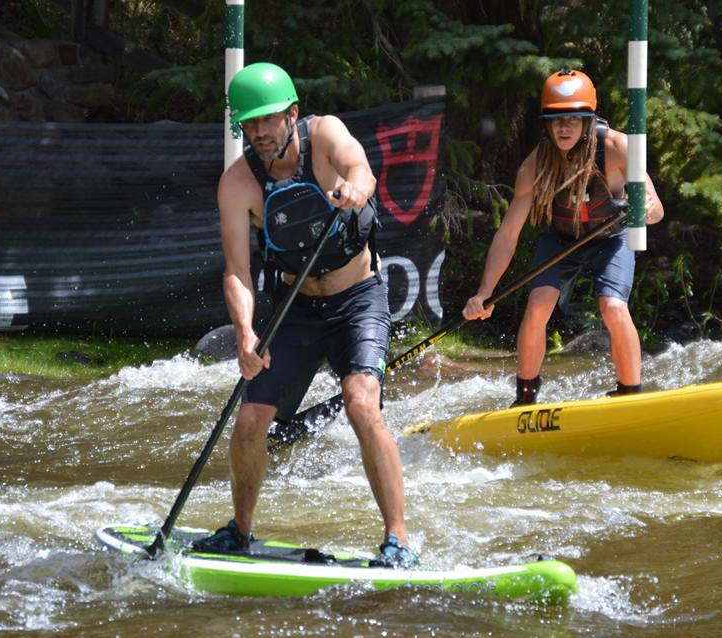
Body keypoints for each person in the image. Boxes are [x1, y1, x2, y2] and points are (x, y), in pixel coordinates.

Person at [197, 62, 417, 568]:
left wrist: (358, 185)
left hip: (358, 298)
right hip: (296, 308)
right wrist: (246, 332)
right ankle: (240, 531)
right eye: (249, 125)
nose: (259, 134)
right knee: (251, 420)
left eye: (268, 121)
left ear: (292, 114)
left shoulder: (324, 135)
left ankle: (399, 539)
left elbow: (360, 165)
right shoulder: (237, 183)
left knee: (362, 403)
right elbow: (236, 271)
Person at [462, 68, 664, 406]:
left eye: (573, 118)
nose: (565, 127)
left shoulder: (616, 147)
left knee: (613, 307)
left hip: (611, 238)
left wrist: (643, 210)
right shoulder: (534, 165)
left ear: (588, 120)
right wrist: (485, 292)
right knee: (538, 306)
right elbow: (508, 235)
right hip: (561, 240)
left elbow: (656, 209)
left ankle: (630, 394)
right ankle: (525, 399)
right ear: (546, 124)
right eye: (557, 120)